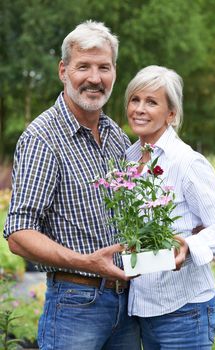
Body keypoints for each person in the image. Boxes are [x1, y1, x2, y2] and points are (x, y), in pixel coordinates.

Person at [3, 20, 141, 350]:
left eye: (103, 67)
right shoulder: (43, 139)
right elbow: (19, 234)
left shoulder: (116, 136)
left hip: (129, 305)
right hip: (76, 304)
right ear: (63, 71)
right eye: (84, 67)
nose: (94, 78)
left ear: (114, 73)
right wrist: (85, 263)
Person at [125, 65, 215, 349]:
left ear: (171, 114)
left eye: (151, 102)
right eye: (134, 99)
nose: (139, 109)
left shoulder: (187, 162)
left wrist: (188, 246)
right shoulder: (128, 159)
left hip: (184, 310)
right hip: (143, 309)